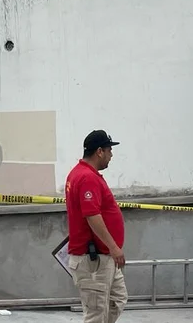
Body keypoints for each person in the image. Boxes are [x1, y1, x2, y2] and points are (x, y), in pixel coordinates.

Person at [64, 130, 128, 323]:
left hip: (102, 258)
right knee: (96, 314)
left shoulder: (83, 173)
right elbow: (92, 215)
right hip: (93, 260)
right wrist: (113, 247)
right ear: (99, 151)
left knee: (117, 299)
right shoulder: (87, 177)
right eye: (109, 150)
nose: (111, 155)